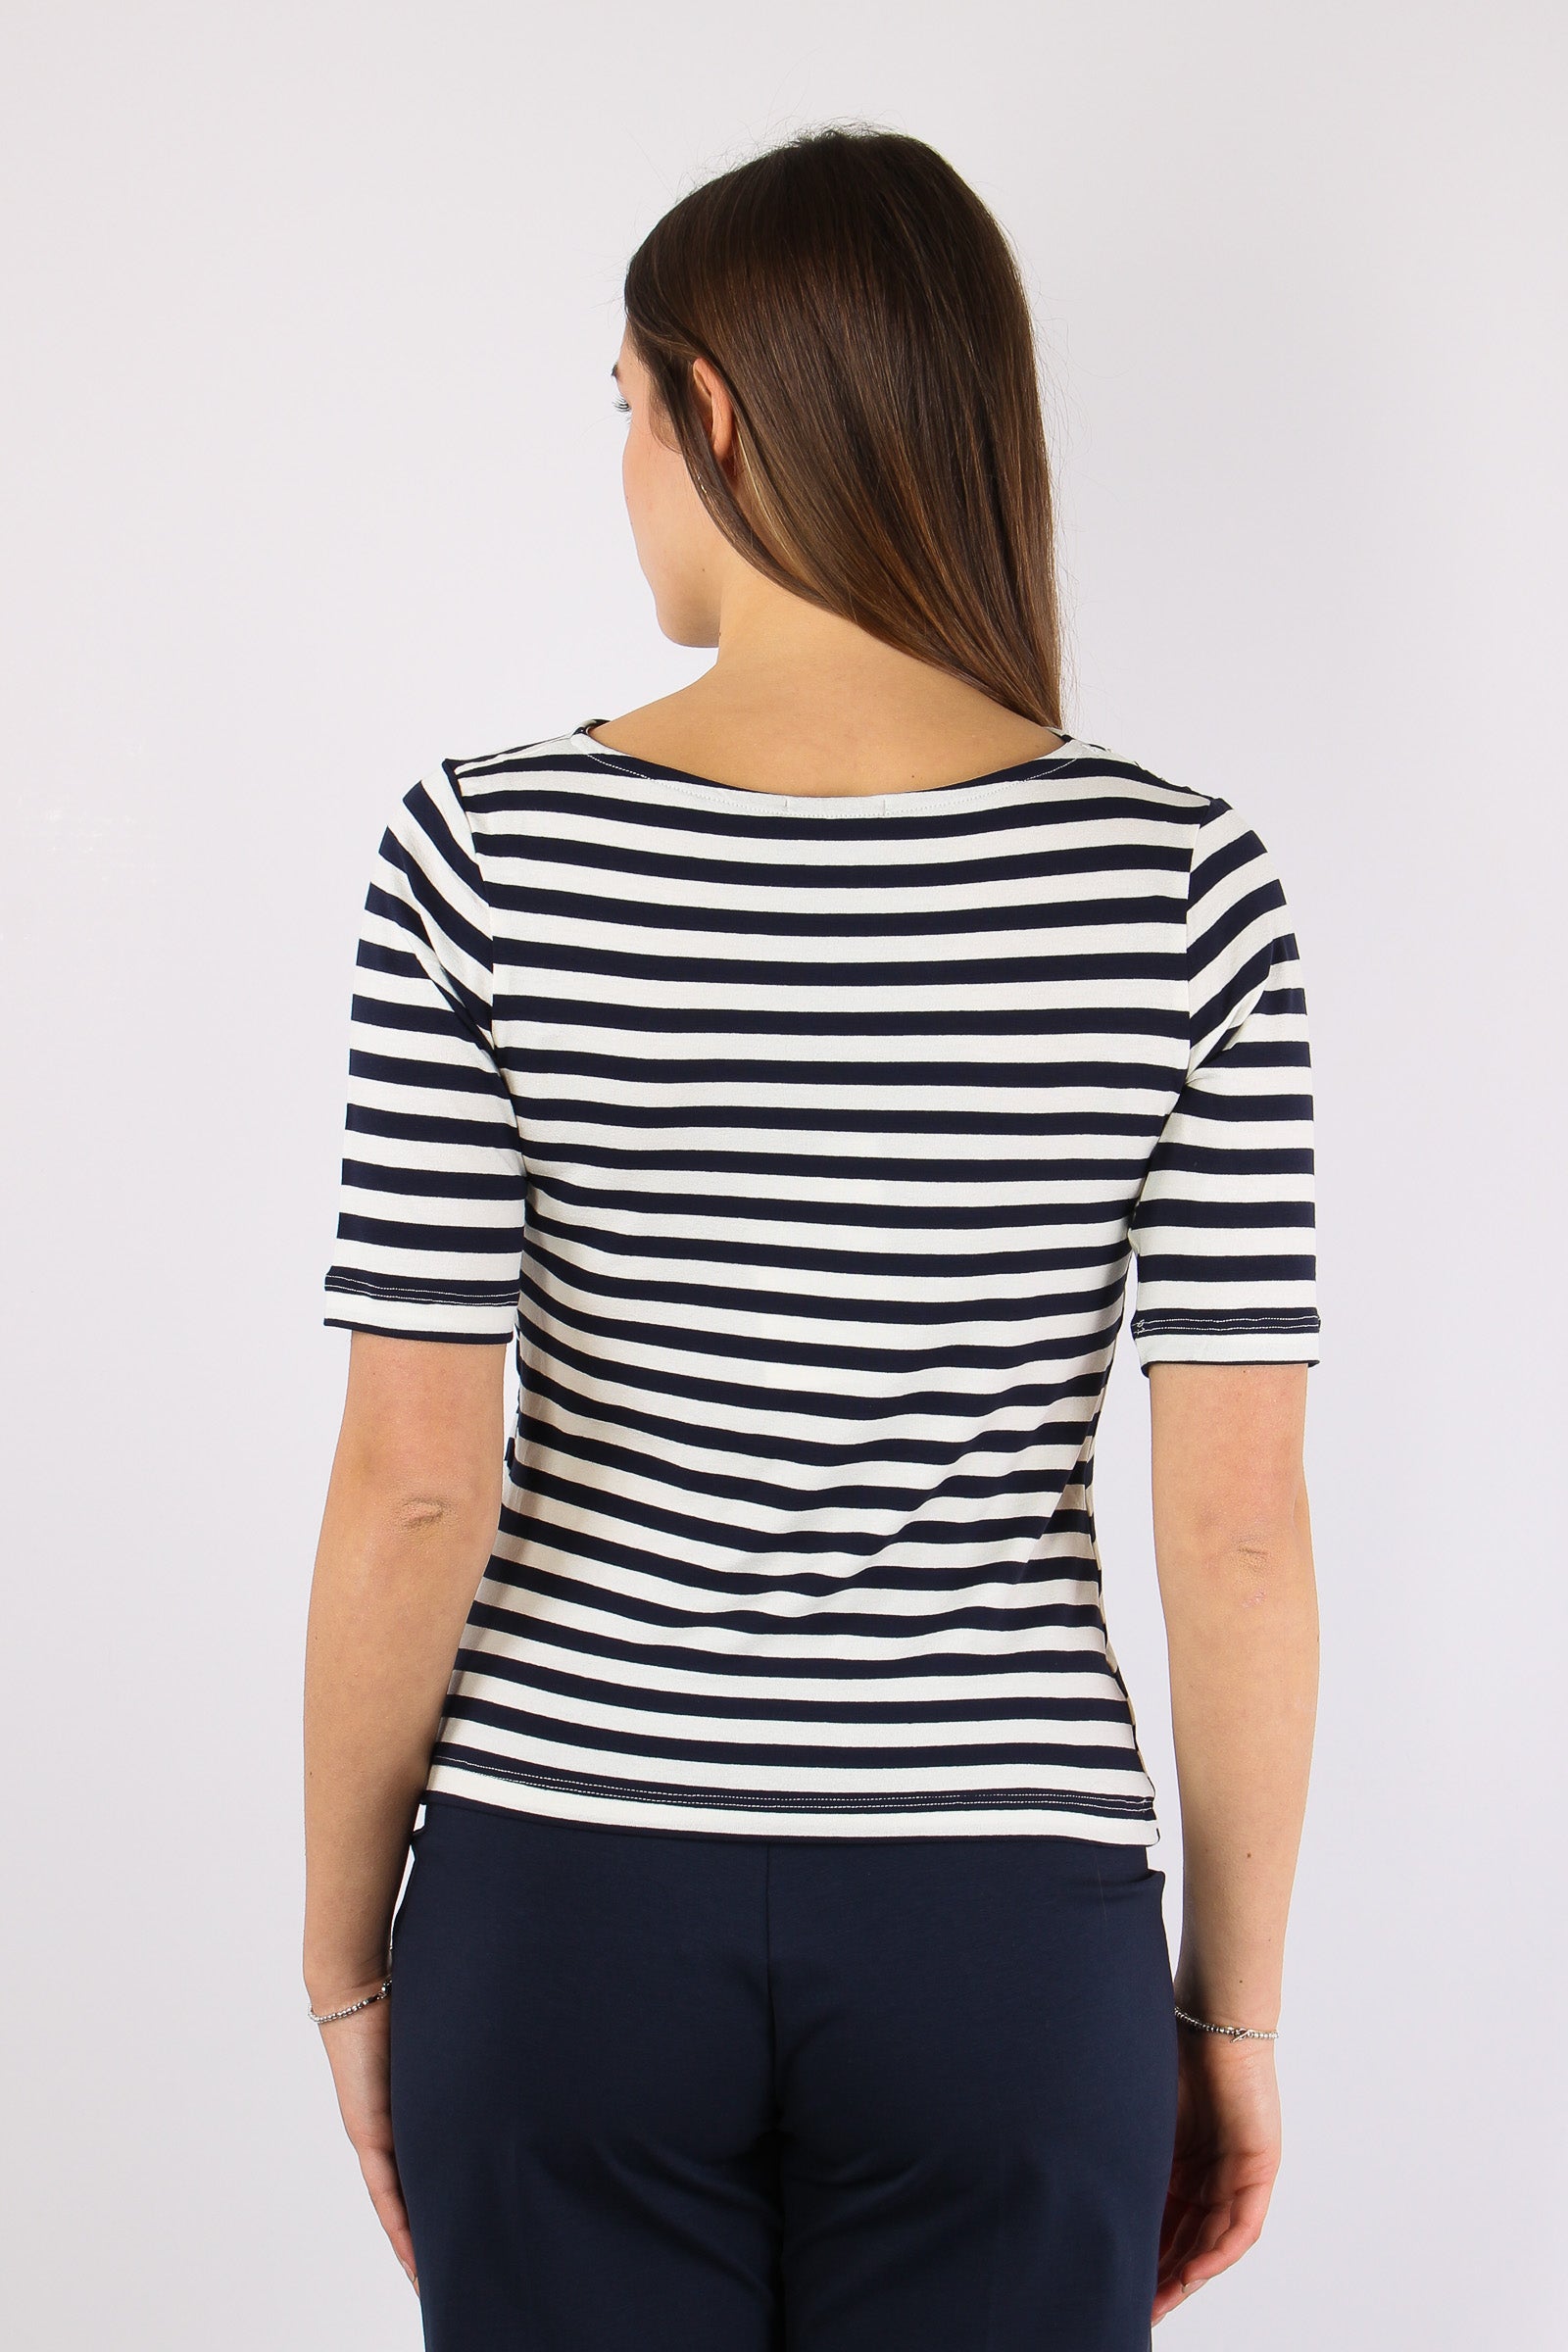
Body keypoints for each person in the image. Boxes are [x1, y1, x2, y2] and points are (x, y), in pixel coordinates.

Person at [302, 123, 1320, 2351]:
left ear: (714, 410)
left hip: (564, 1897)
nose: (624, 475)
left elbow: (410, 1484)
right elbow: (1237, 1527)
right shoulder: (1180, 882)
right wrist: (1226, 2019)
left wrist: (347, 1956)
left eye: (622, 412)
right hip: (1002, 1927)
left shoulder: (484, 854)